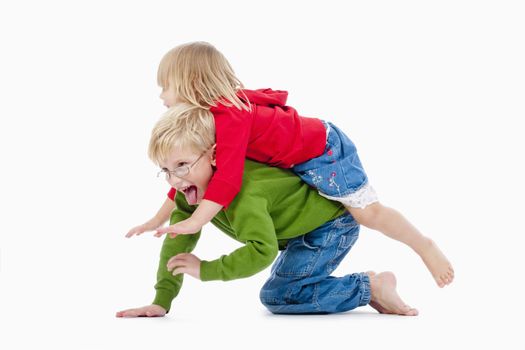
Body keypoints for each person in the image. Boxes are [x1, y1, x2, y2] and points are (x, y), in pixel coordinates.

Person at [127, 41, 454, 288]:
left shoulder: (229, 115)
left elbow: (227, 179)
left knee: (367, 212)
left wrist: (196, 221)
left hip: (324, 150)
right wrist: (156, 219)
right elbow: (186, 178)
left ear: (191, 84)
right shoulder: (211, 120)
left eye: (165, 87)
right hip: (299, 160)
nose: (161, 96)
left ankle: (423, 245)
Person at [117, 104, 418, 317]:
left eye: (182, 165)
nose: (174, 180)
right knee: (286, 289)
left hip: (329, 227)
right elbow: (176, 244)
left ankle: (370, 286)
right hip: (296, 233)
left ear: (213, 156)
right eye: (165, 170)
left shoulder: (244, 193)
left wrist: (205, 270)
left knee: (279, 295)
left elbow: (262, 250)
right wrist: (161, 300)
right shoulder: (189, 193)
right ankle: (363, 285)